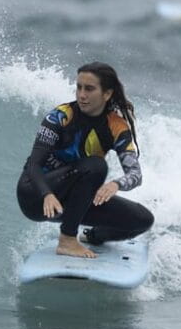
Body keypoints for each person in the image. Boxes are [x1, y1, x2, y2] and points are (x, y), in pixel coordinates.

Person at [16, 62, 154, 259]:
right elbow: (34, 165)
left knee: (142, 219)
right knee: (96, 166)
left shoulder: (116, 126)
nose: (81, 94)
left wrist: (116, 184)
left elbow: (135, 175)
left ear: (106, 94)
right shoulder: (60, 116)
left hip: (73, 202)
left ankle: (93, 236)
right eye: (79, 87)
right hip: (36, 195)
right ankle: (67, 239)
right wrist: (46, 193)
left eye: (89, 89)